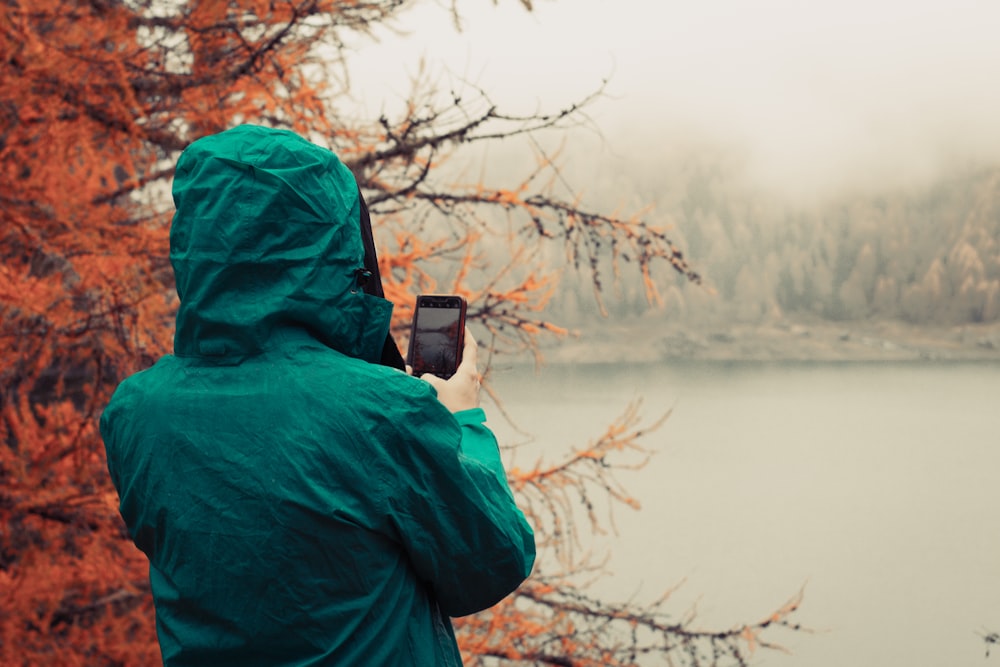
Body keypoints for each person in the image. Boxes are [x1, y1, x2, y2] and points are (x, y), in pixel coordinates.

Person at [100, 124, 535, 667]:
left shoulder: (135, 412)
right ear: (338, 247)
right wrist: (461, 418)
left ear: (195, 244)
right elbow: (491, 564)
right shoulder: (383, 411)